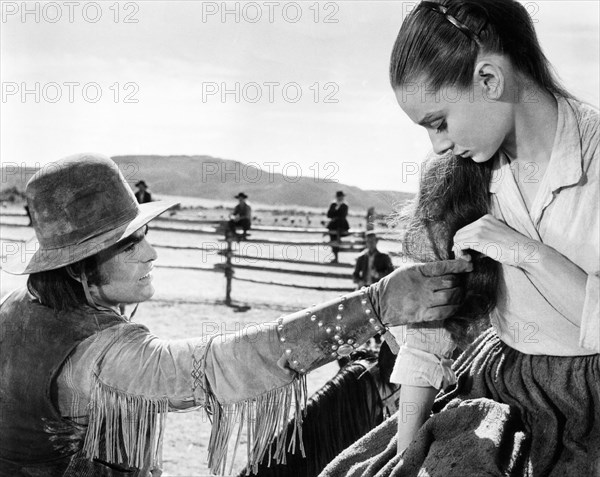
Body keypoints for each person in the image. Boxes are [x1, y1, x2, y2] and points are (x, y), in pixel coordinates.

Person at [0, 153, 472, 477]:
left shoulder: (17, 308)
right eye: (129, 243)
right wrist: (376, 305)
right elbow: (226, 362)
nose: (152, 253)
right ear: (81, 266)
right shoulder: (100, 356)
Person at [320, 1, 599, 476]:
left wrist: (526, 253)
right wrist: (405, 454)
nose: (439, 145)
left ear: (489, 80)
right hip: (502, 394)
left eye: (439, 122)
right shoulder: (453, 181)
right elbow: (428, 333)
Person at [326, 190, 350, 263]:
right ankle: (335, 257)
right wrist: (335, 210)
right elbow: (329, 215)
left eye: (341, 197)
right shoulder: (333, 204)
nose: (341, 198)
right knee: (333, 240)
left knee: (337, 238)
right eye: (340, 197)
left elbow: (343, 215)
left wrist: (335, 214)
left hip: (342, 225)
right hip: (333, 225)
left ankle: (336, 256)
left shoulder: (345, 205)